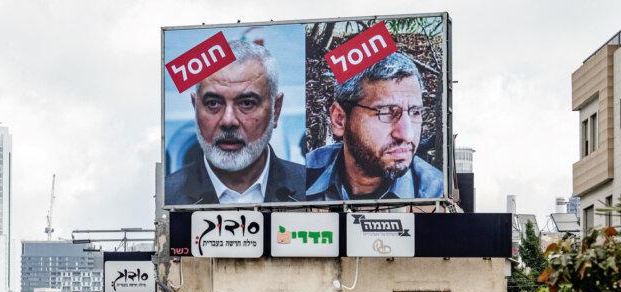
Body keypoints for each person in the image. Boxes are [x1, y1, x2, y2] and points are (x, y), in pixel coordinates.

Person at [165, 39, 305, 205]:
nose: (228, 120)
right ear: (195, 108)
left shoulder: (310, 190)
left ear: (276, 110)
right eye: (213, 103)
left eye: (247, 103)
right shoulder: (168, 196)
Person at [306, 52, 444, 201]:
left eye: (415, 112)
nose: (407, 134)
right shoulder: (302, 175)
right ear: (340, 119)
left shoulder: (437, 194)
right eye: (386, 112)